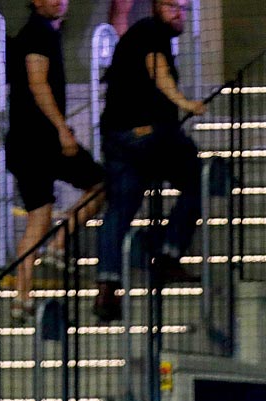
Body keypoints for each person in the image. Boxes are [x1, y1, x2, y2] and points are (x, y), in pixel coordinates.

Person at [93, 0, 203, 321]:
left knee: (121, 209)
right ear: (156, 7)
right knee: (198, 178)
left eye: (183, 8)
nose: (179, 13)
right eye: (173, 6)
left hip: (118, 137)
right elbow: (159, 72)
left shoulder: (141, 35)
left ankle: (107, 288)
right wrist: (186, 103)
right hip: (146, 135)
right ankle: (167, 254)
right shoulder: (151, 31)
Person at [8, 0, 105, 316]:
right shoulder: (37, 33)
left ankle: (22, 298)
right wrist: (63, 128)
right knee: (101, 183)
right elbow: (38, 84)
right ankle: (58, 242)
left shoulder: (44, 33)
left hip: (29, 142)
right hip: (39, 141)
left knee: (40, 216)